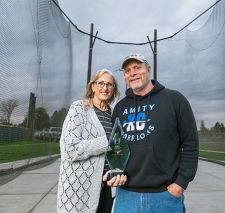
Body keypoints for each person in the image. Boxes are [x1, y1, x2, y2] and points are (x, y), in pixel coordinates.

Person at [104, 54, 199, 213]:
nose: (132, 73)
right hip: (126, 197)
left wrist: (180, 184)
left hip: (164, 196)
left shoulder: (175, 100)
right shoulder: (120, 108)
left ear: (148, 70)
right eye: (127, 71)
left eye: (137, 68)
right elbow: (115, 147)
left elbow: (190, 143)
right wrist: (113, 171)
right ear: (125, 77)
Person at [57, 69, 123, 213]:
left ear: (113, 89)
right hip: (80, 187)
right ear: (92, 86)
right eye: (100, 83)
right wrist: (106, 142)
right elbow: (70, 149)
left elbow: (117, 149)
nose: (105, 88)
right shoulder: (78, 109)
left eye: (109, 85)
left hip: (108, 185)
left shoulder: (114, 114)